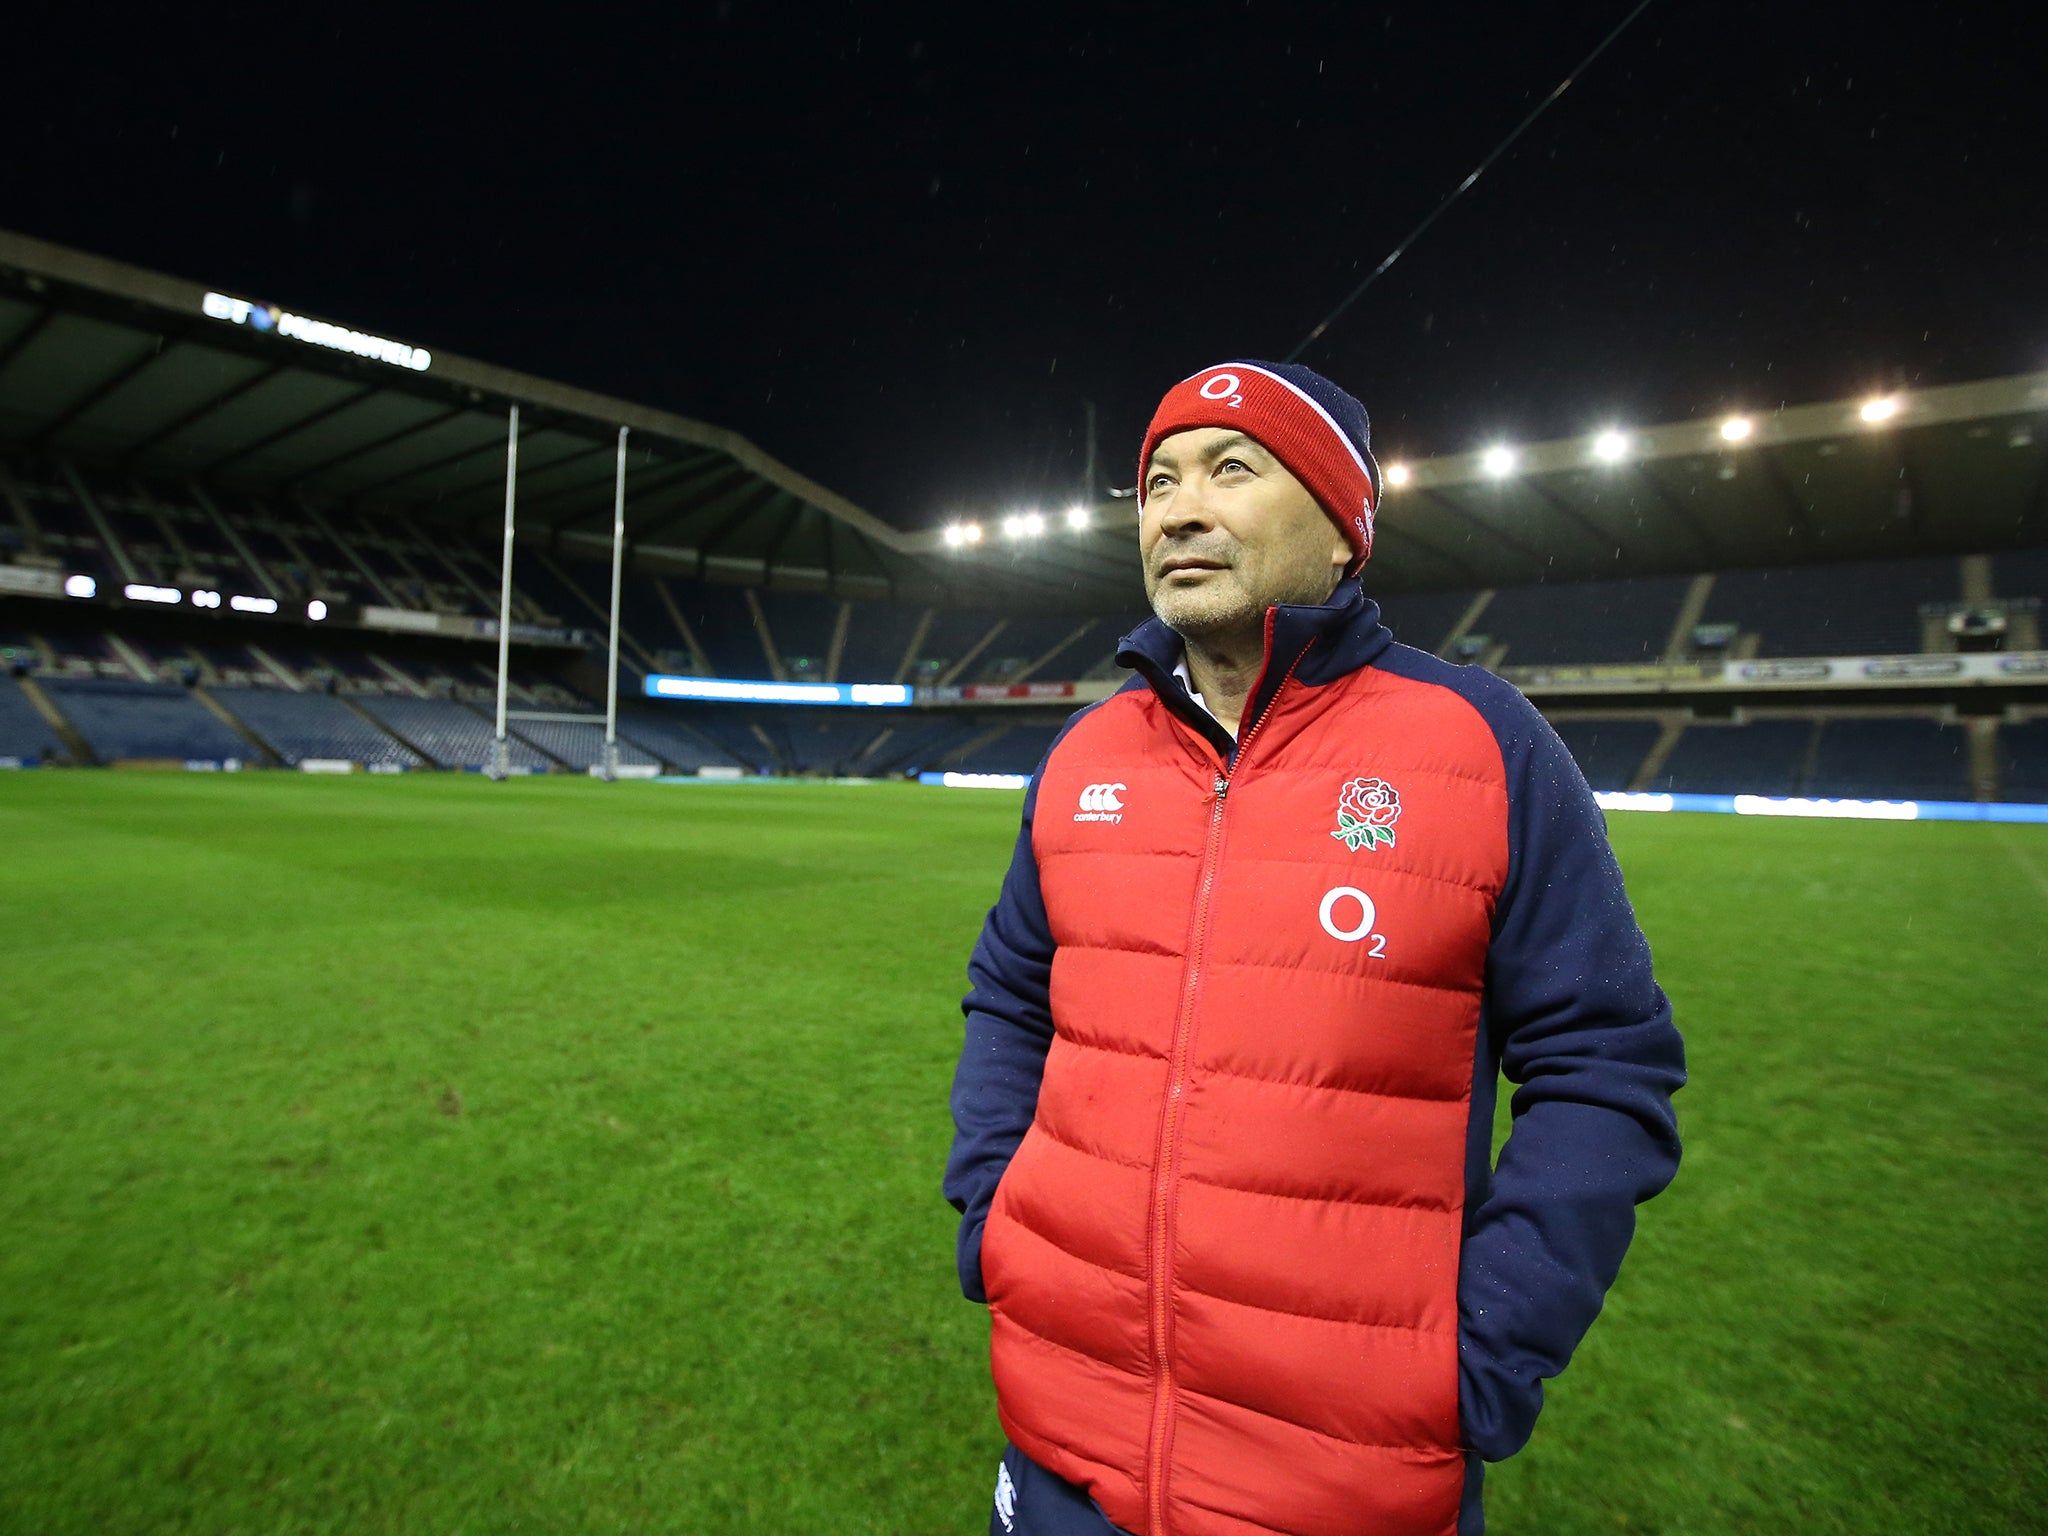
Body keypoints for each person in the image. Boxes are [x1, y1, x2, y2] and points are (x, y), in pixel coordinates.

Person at [944, 360, 1686, 1536]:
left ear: (1344, 532)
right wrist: (995, 1211)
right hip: (1059, 1463)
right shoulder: (1083, 758)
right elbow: (1008, 995)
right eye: (1155, 483)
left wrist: (1476, 1351)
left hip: (1346, 1488)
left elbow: (1604, 1064)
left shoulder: (1482, 746)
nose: (1177, 509)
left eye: (1230, 469)